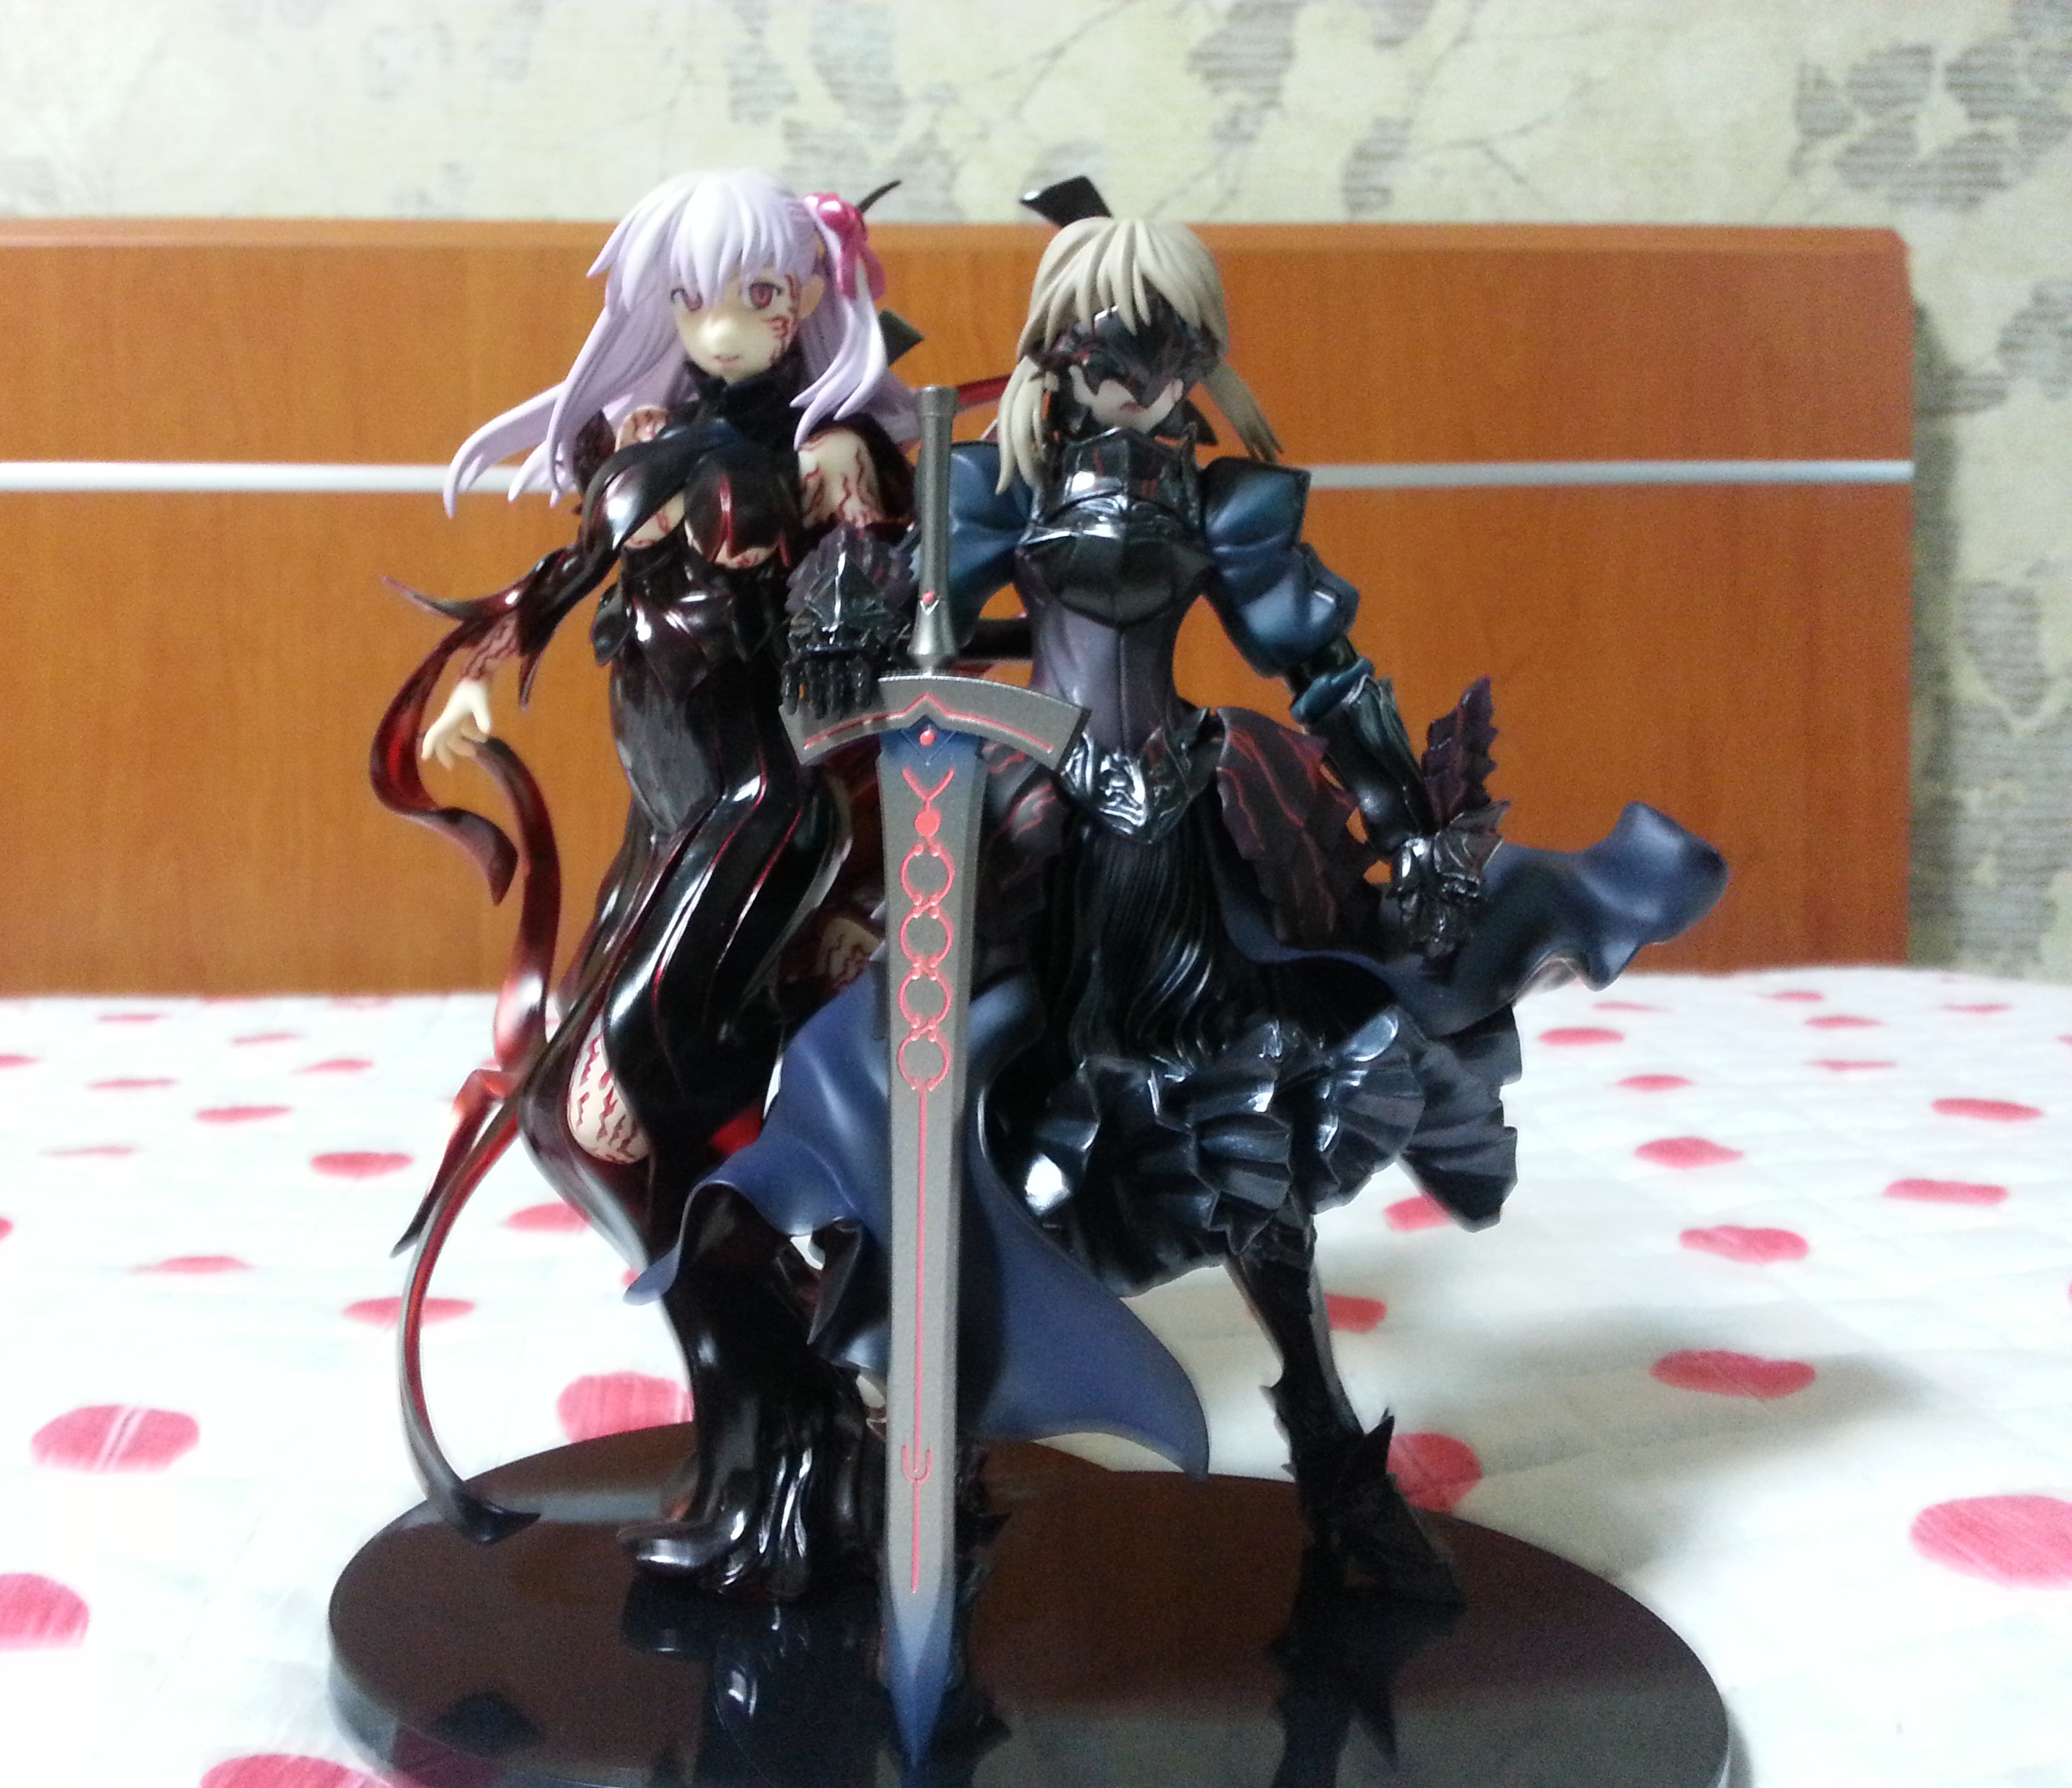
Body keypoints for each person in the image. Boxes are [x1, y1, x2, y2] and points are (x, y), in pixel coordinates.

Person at [699, 200, 1727, 1601]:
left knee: (1250, 1141)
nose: (1135, 377)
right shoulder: (998, 487)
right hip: (1034, 830)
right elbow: (884, 645)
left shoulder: (1226, 502)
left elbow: (1327, 669)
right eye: (1105, 345)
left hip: (1188, 835)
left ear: (1200, 354)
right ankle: (930, 1455)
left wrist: (1410, 828)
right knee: (937, 1096)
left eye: (1169, 348)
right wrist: (846, 608)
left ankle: (1334, 1466)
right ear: (1057, 348)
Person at [375, 168, 916, 1597]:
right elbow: (561, 582)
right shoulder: (649, 440)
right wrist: (471, 685)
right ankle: (777, 1409)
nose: (722, 330)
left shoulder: (831, 460)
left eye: (758, 297)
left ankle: (801, 1416)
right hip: (668, 817)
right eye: (691, 300)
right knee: (568, 1127)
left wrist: (851, 526)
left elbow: (867, 648)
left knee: (619, 1115)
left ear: (810, 298)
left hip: (763, 814)